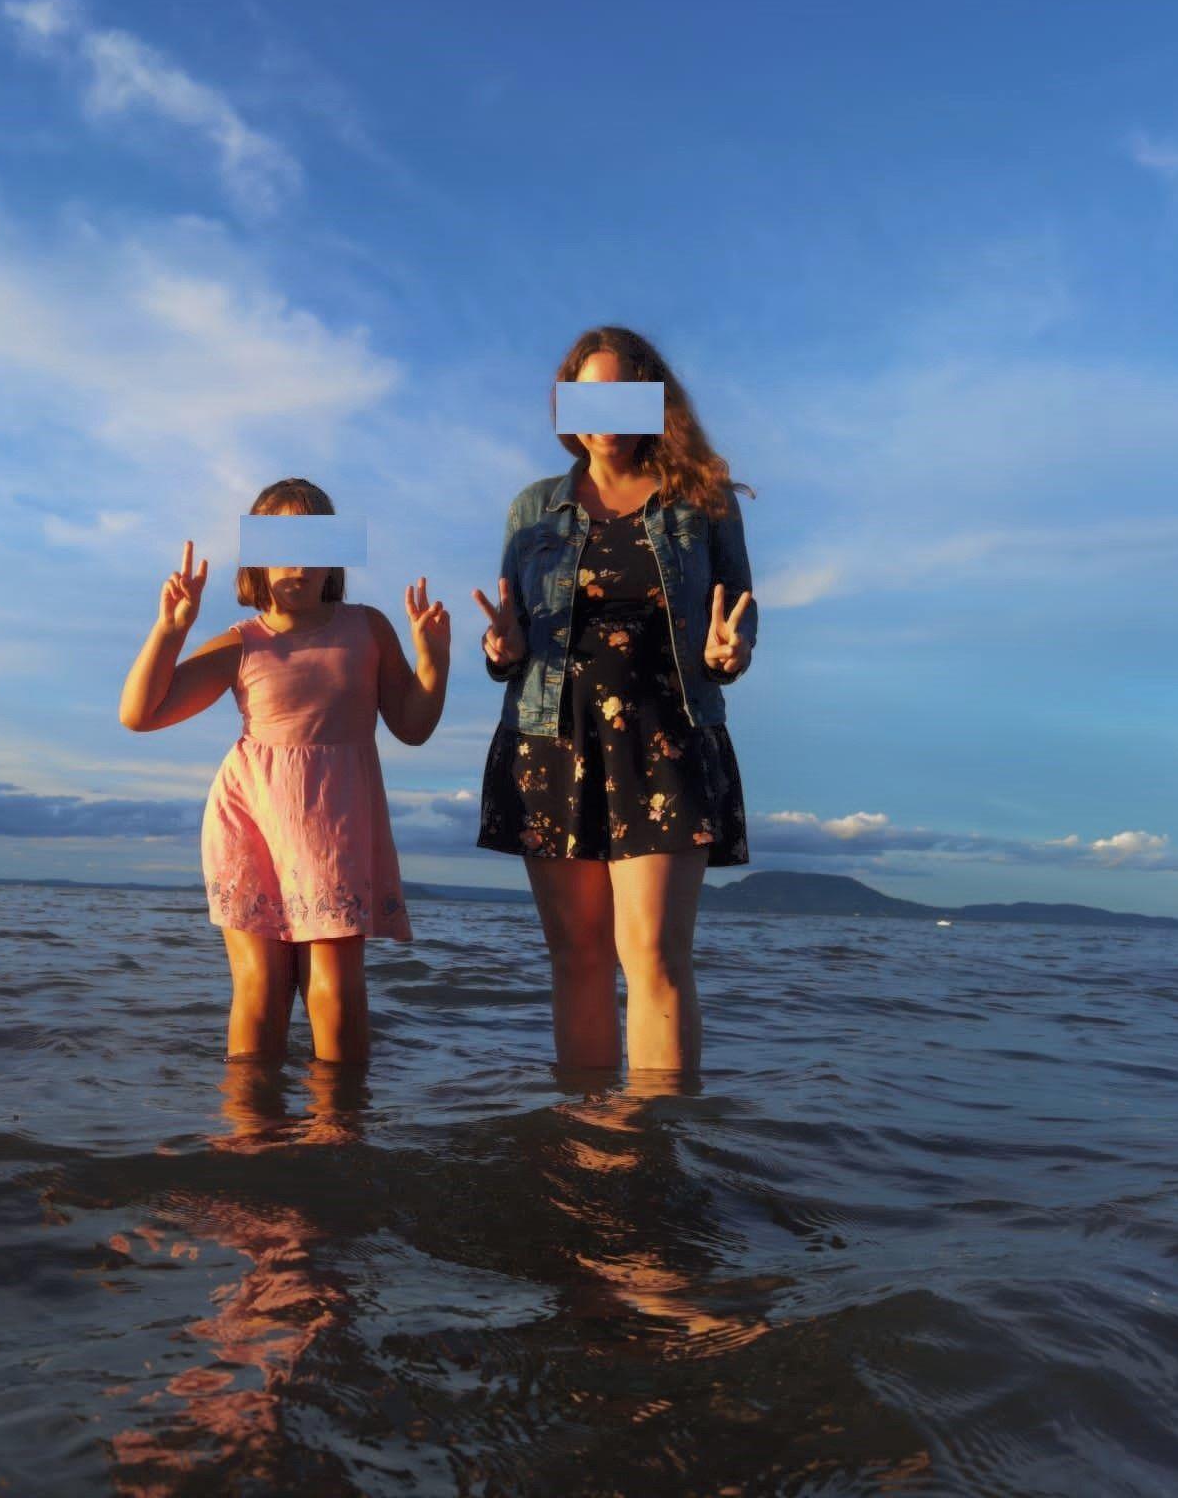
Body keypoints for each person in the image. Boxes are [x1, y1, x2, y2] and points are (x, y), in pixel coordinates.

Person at [470, 326, 756, 1073]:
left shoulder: (702, 500)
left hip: (665, 737)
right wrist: (500, 650)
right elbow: (513, 630)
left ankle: (661, 1135)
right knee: (577, 959)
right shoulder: (533, 507)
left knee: (654, 955)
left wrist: (731, 651)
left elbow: (739, 611)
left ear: (654, 401)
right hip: (550, 737)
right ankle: (583, 1128)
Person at [119, 478, 450, 1064]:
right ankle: (251, 1112)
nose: (297, 564)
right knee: (262, 985)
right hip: (250, 819)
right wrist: (170, 631)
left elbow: (412, 725)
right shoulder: (243, 643)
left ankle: (339, 1112)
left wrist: (434, 661)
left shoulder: (368, 628)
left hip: (334, 821)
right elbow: (140, 714)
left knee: (336, 986)